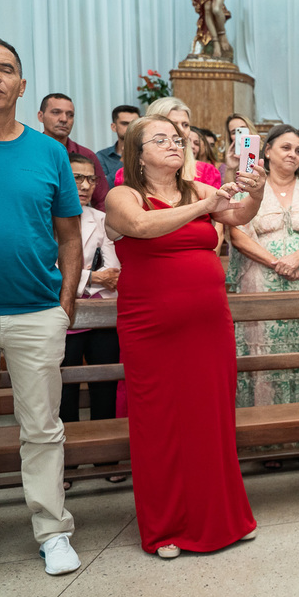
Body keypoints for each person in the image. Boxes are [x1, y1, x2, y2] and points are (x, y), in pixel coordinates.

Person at [104, 114, 264, 559]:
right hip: (152, 329)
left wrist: (256, 190)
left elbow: (239, 214)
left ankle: (227, 519)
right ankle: (167, 528)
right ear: (138, 153)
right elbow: (140, 227)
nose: (174, 143)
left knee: (210, 422)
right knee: (162, 425)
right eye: (162, 139)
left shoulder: (197, 190)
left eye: (178, 138)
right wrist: (205, 206)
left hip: (208, 325)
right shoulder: (123, 194)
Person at [0, 37, 83, 575]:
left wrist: (64, 305)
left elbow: (70, 238)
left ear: (22, 87)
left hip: (35, 312)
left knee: (42, 429)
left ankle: (52, 531)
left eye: (6, 69)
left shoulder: (48, 152)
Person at [228, 124, 299, 468]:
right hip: (261, 281)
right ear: (267, 151)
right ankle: (265, 444)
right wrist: (276, 261)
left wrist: (295, 258)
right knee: (265, 360)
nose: (293, 154)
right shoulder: (248, 184)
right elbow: (238, 234)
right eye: (286, 147)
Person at [59, 154, 123, 483]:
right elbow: (45, 270)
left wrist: (88, 278)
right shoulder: (45, 217)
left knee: (104, 388)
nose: (84, 186)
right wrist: (90, 278)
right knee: (63, 393)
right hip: (62, 316)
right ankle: (66, 463)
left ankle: (105, 459)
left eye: (90, 179)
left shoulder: (102, 218)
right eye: (76, 178)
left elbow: (113, 272)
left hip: (100, 316)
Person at [113, 97, 222, 190]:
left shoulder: (207, 172)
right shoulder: (125, 175)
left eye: (185, 125)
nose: (181, 131)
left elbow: (219, 212)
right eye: (173, 124)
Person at [38, 92, 110, 210]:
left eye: (70, 115)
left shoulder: (86, 155)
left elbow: (102, 201)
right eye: (56, 112)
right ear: (40, 116)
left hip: (78, 222)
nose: (64, 119)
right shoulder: (30, 152)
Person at [96, 104, 140, 185]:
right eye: (125, 123)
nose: (130, 127)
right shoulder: (102, 156)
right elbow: (103, 189)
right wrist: (123, 160)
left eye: (134, 124)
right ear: (114, 127)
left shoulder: (147, 153)